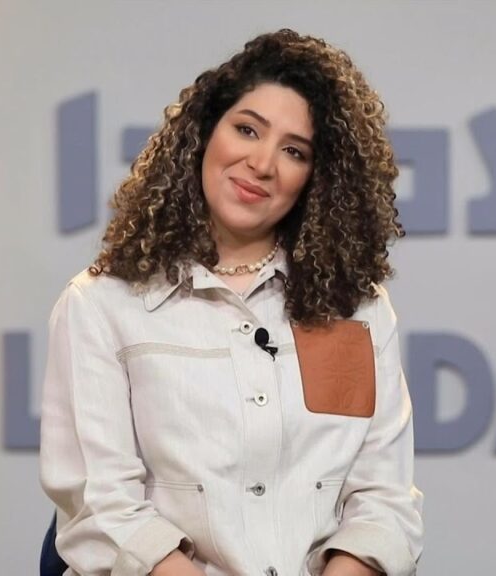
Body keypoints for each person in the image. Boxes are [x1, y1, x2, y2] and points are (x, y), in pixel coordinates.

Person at [39, 29, 423, 576]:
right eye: (247, 129)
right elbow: (103, 510)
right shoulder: (101, 305)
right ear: (203, 133)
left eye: (294, 151)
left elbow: (383, 502)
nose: (262, 163)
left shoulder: (358, 309)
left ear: (317, 179)